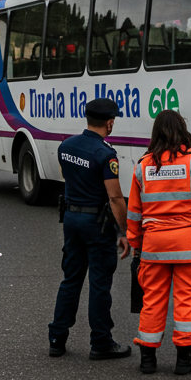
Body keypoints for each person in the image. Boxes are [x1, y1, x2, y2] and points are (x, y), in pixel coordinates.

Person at [127, 110, 191, 375]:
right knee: (186, 301)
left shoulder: (142, 166)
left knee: (152, 300)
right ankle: (184, 360)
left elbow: (134, 213)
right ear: (182, 131)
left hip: (154, 245)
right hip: (189, 244)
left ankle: (148, 359)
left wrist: (137, 244)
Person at [48, 97, 133, 360]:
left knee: (71, 279)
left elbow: (68, 176)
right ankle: (101, 342)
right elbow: (115, 197)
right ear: (110, 123)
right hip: (97, 225)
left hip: (71, 219)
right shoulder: (105, 154)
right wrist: (124, 232)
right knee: (99, 284)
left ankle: (57, 338)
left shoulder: (66, 146)